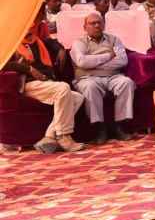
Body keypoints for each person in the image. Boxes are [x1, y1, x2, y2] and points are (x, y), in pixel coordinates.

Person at [2, 22, 85, 153]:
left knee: (78, 98)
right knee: (63, 88)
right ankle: (63, 135)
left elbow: (54, 42)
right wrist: (28, 69)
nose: (29, 31)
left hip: (46, 83)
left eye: (32, 28)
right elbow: (4, 63)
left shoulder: (40, 42)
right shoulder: (12, 45)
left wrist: (61, 50)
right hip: (29, 83)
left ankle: (49, 136)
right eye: (26, 28)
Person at [71, 13, 134, 144]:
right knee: (90, 87)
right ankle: (99, 128)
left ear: (104, 25)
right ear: (85, 27)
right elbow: (82, 62)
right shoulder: (79, 42)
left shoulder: (114, 40)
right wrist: (108, 56)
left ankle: (119, 125)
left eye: (99, 22)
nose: (97, 25)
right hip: (88, 77)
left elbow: (122, 60)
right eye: (92, 23)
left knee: (126, 82)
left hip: (113, 76)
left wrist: (93, 65)